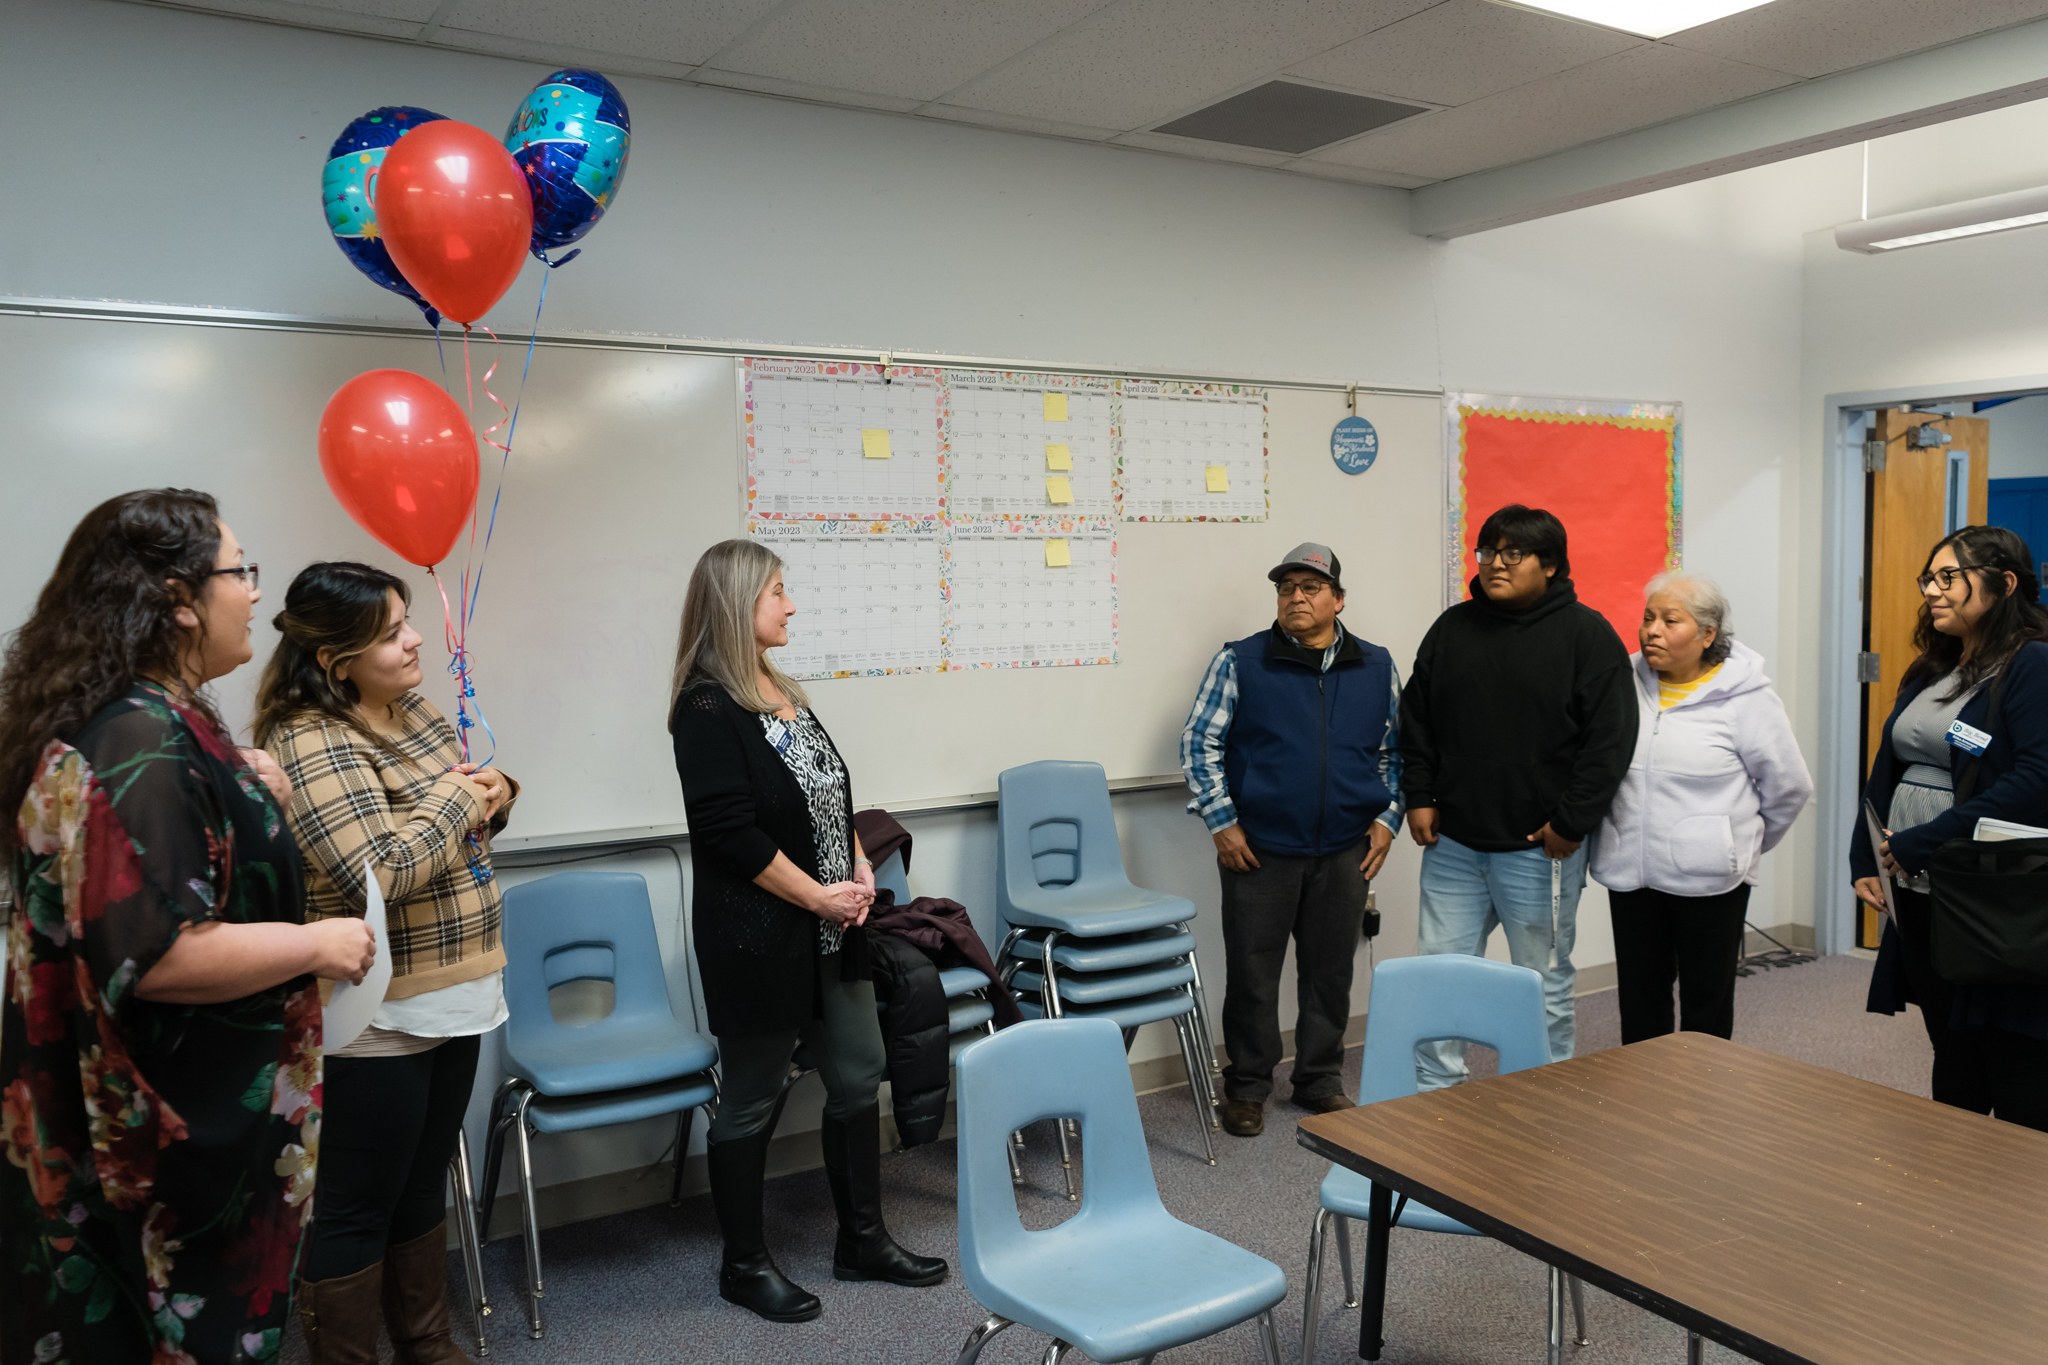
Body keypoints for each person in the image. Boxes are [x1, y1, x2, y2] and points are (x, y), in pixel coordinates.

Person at [0, 490, 375, 1365]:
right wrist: (320, 943)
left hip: (151, 1121)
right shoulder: (143, 737)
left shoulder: (153, 723)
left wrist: (236, 778)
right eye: (239, 571)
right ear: (175, 599)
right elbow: (162, 951)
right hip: (158, 1148)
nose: (253, 592)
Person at [667, 538, 946, 1323]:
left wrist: (859, 869)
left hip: (834, 930)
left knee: (859, 1072)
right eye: (778, 593)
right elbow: (731, 833)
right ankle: (744, 1264)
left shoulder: (785, 690)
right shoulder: (705, 708)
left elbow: (831, 800)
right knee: (752, 1097)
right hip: (761, 937)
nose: (791, 606)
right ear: (736, 605)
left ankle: (862, 1240)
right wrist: (816, 899)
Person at [255, 562, 514, 1362]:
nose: (414, 639)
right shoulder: (307, 735)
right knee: (357, 1202)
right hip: (375, 1010)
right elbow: (380, 868)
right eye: (392, 630)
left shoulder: (415, 709)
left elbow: (456, 819)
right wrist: (461, 800)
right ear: (337, 657)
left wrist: (498, 792)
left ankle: (427, 1343)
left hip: (456, 989)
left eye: (408, 620)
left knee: (419, 1182)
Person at [1400, 505, 1637, 1088]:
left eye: (1512, 554)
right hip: (1453, 843)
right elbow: (1418, 720)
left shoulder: (1587, 635)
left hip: (1541, 851)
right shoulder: (1452, 628)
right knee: (1441, 977)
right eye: (1486, 552)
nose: (1494, 564)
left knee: (1541, 981)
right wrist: (1419, 795)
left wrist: (1572, 822)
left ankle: (1542, 1096)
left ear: (1550, 565)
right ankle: (1436, 1095)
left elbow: (1609, 741)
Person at [1179, 542, 1402, 1137]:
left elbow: (1395, 753)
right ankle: (1247, 1087)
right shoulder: (1242, 661)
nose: (1296, 598)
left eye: (1310, 587)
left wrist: (1388, 819)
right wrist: (1222, 823)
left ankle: (1319, 1079)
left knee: (1330, 971)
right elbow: (1199, 743)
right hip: (1261, 848)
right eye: (1286, 588)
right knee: (1254, 973)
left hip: (1345, 848)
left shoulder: (1377, 665)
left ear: (1338, 599)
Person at [1853, 525, 2048, 1131]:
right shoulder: (1933, 667)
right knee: (1951, 1047)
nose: (1932, 592)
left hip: (1985, 890)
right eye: (1928, 579)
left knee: (2008, 1055)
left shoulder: (2031, 664)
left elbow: (2035, 777)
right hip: (1918, 889)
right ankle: (1953, 1178)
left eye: (1949, 578)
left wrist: (1923, 841)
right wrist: (1866, 855)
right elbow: (1889, 764)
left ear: (2004, 583)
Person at [1590, 573, 1813, 1043]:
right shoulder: (1622, 682)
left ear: (1707, 634)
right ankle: (1644, 1094)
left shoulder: (1746, 697)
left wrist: (1738, 844)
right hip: (1630, 871)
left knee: (1705, 1003)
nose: (1652, 630)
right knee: (1640, 997)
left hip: (1711, 879)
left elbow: (1788, 787)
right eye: (1648, 618)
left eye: (1670, 620)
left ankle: (1703, 1101)